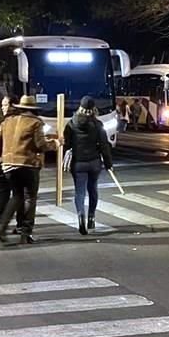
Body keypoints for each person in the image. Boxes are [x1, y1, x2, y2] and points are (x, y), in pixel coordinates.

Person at [0, 95, 58, 245]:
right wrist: (56, 143)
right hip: (28, 164)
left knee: (16, 196)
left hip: (8, 165)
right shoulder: (35, 123)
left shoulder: (7, 122)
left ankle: (1, 227)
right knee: (30, 197)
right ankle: (26, 232)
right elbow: (41, 145)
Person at [63, 96, 113, 235]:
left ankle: (81, 217)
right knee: (93, 190)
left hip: (78, 163)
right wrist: (108, 163)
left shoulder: (71, 124)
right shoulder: (97, 125)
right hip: (94, 163)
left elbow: (66, 144)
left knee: (79, 192)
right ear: (93, 110)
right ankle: (91, 218)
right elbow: (104, 146)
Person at [0, 95, 23, 237]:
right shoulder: (25, 121)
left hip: (4, 162)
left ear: (13, 105)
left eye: (4, 105)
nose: (2, 108)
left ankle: (0, 225)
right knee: (19, 195)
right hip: (20, 164)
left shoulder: (6, 122)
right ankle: (20, 226)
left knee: (5, 194)